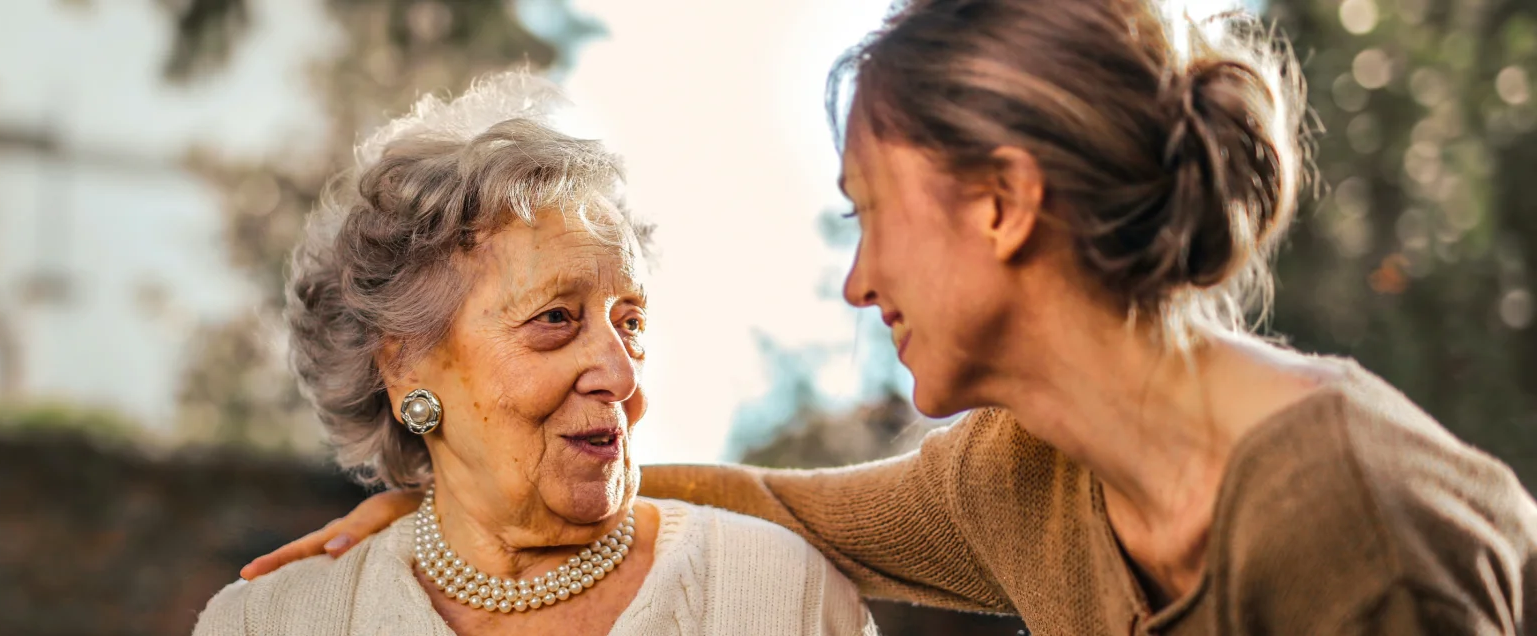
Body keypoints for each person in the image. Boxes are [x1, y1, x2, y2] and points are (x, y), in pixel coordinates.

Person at [236, 1, 1537, 634]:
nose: (858, 282)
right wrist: (457, 492)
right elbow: (773, 505)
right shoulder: (1031, 479)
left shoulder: (1342, 518)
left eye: (868, 212)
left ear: (1003, 204)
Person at [190, 72, 873, 635]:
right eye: (555, 318)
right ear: (403, 366)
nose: (621, 373)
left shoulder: (784, 601)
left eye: (630, 321)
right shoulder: (269, 624)